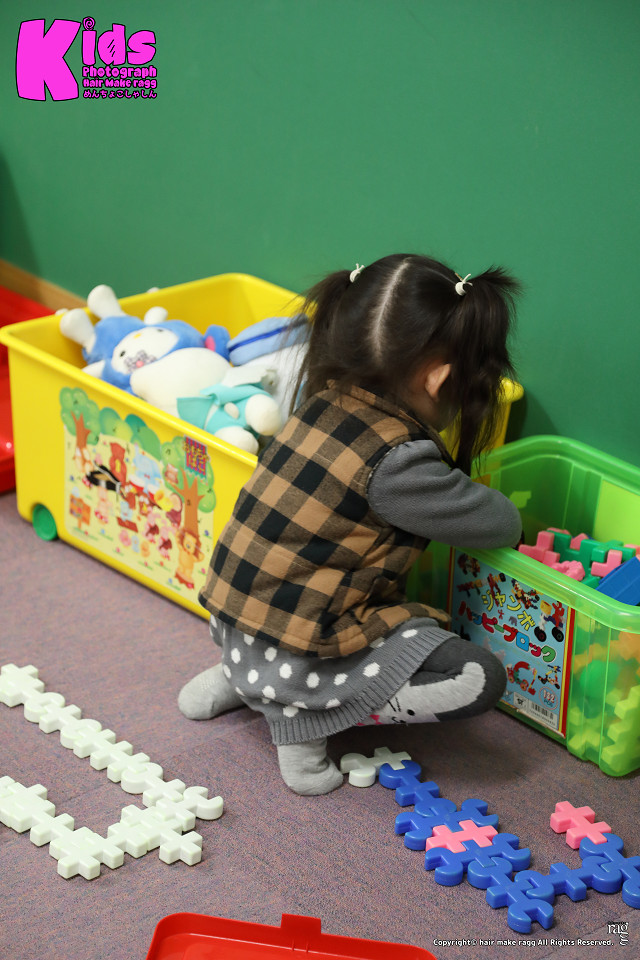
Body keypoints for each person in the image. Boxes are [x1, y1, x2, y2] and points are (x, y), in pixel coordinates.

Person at [178, 253, 523, 795]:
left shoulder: (318, 403)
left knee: (308, 607)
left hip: (232, 623)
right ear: (440, 379)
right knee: (478, 677)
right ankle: (303, 714)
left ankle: (242, 679)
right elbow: (500, 524)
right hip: (300, 648)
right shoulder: (399, 464)